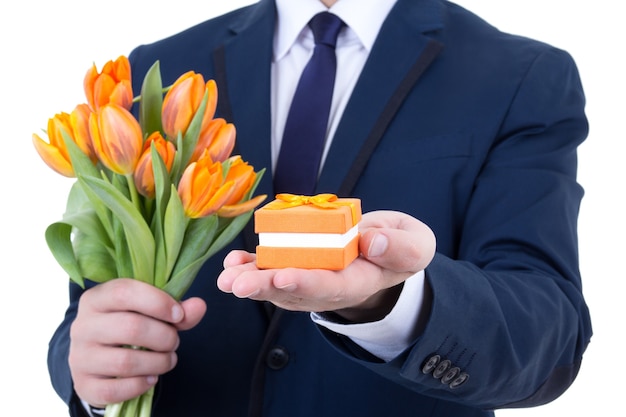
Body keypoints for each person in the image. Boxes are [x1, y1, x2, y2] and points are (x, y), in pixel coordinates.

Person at [47, 0, 593, 416]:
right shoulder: (159, 70)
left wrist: (391, 302)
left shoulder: (521, 76)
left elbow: (548, 335)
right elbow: (91, 313)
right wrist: (91, 369)